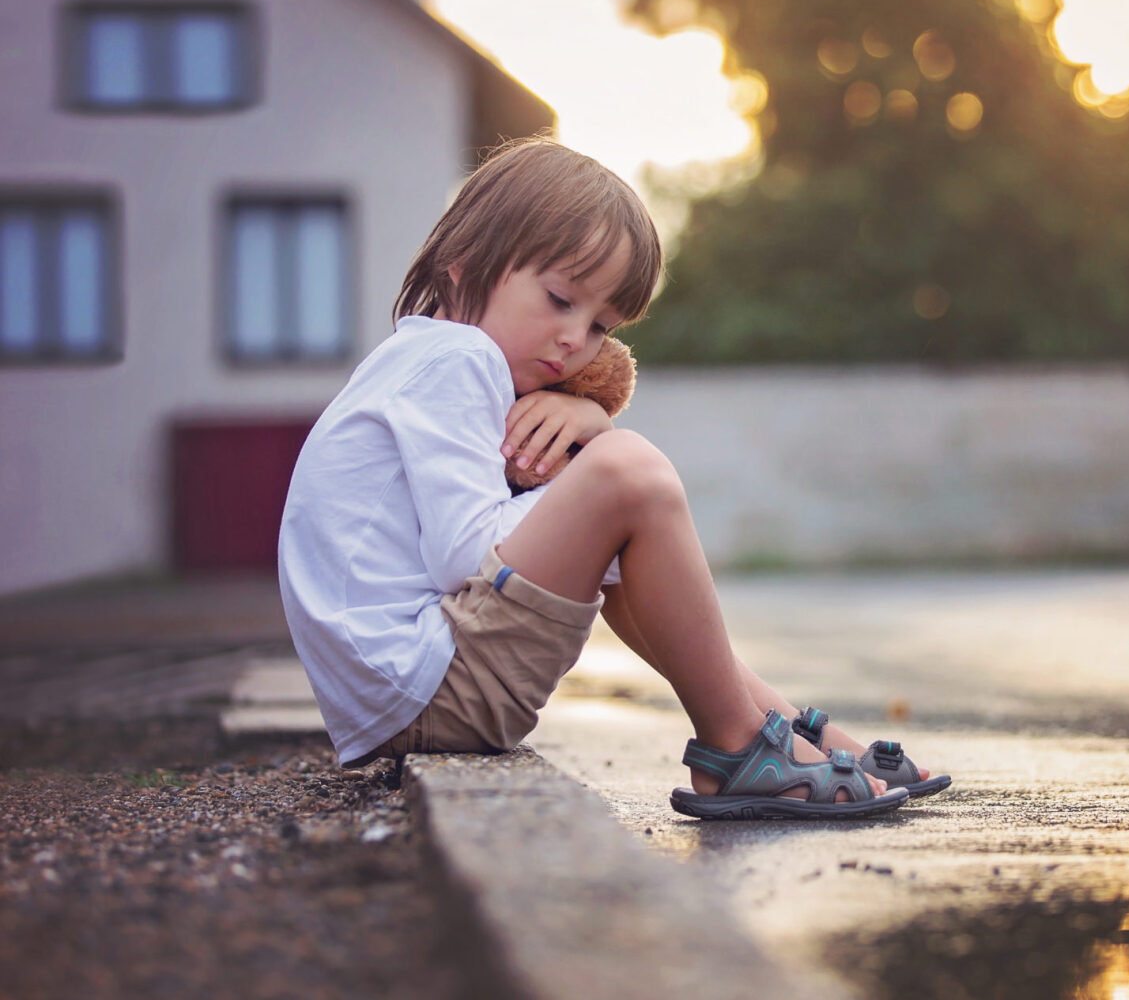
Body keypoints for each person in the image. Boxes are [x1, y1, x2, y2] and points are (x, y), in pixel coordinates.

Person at [278, 137, 942, 819]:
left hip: (408, 696)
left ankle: (783, 728)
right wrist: (589, 463)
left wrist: (579, 468)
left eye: (601, 325)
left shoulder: (425, 360)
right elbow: (460, 556)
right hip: (425, 683)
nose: (576, 341)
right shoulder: (457, 358)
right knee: (631, 471)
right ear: (463, 266)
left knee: (621, 521)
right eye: (560, 298)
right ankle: (742, 747)